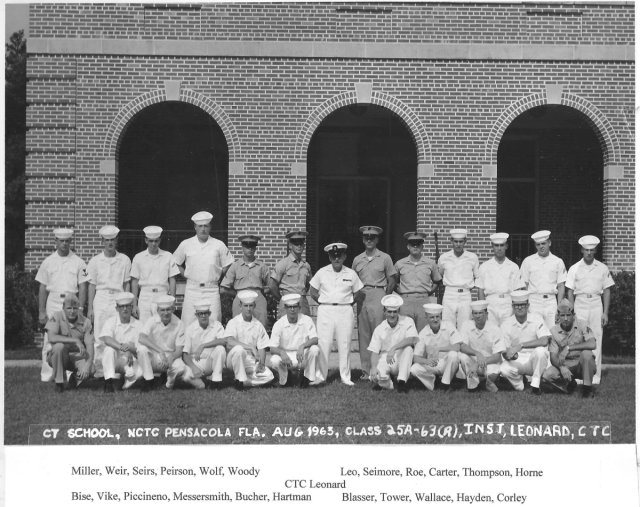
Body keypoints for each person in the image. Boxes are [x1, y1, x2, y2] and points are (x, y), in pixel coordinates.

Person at [36, 228, 89, 381]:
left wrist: (80, 308)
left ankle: (67, 371)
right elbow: (42, 287)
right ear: (56, 242)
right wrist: (41, 312)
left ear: (70, 242)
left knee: (71, 336)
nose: (64, 244)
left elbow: (83, 286)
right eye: (61, 241)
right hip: (53, 302)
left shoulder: (79, 262)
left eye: (67, 241)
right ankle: (47, 374)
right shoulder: (47, 262)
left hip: (72, 303)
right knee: (50, 338)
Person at [310, 243, 364, 386]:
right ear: (329, 257)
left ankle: (346, 377)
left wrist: (348, 303)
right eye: (333, 256)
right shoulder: (322, 272)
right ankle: (320, 376)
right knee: (324, 343)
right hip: (326, 310)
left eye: (339, 256)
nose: (336, 259)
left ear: (344, 256)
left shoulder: (351, 273)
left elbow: (358, 292)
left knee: (345, 343)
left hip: (344, 310)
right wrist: (323, 301)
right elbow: (313, 290)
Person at [566, 235, 614, 385]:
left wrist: (605, 312)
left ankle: (596, 376)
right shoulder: (574, 268)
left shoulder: (602, 268)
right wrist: (572, 312)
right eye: (586, 250)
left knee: (596, 338)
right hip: (580, 303)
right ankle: (581, 374)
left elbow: (607, 290)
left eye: (592, 250)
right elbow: (569, 291)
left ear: (595, 250)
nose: (589, 253)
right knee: (579, 338)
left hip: (595, 304)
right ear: (581, 250)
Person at [172, 211, 234, 326]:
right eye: (200, 226)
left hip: (211, 290)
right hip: (192, 289)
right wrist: (186, 275)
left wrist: (218, 275)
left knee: (214, 322)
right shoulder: (186, 244)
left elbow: (228, 264)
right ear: (195, 227)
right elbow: (175, 262)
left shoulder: (218, 244)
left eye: (206, 226)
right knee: (188, 323)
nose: (203, 229)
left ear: (210, 227)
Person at [352, 225, 397, 380]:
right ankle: (366, 371)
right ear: (363, 240)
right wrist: (356, 296)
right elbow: (353, 280)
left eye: (372, 238)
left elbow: (392, 280)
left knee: (379, 333)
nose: (369, 240)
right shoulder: (358, 259)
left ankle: (380, 368)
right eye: (366, 238)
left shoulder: (385, 258)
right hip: (362, 295)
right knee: (363, 333)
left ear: (377, 239)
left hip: (379, 293)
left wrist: (385, 297)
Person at [87, 225, 132, 377]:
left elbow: (126, 284)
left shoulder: (124, 259)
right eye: (107, 240)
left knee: (117, 333)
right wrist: (90, 309)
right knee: (100, 335)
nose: (110, 243)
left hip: (118, 297)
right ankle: (100, 370)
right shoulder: (95, 261)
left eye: (112, 239)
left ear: (116, 240)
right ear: (102, 241)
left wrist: (126, 302)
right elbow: (92, 285)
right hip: (101, 297)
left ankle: (118, 368)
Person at [137, 295, 200, 390]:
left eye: (168, 310)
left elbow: (179, 349)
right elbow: (141, 338)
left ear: (173, 309)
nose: (166, 313)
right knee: (142, 349)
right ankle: (148, 380)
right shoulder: (151, 320)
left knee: (180, 368)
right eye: (162, 310)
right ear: (158, 311)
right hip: (155, 355)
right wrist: (160, 351)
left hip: (170, 355)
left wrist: (171, 358)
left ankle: (168, 383)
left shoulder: (179, 323)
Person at [499, 290, 551, 395]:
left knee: (541, 351)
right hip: (518, 359)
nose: (519, 308)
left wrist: (521, 345)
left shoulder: (537, 318)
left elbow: (544, 340)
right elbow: (505, 349)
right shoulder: (506, 324)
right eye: (516, 305)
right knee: (503, 369)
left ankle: (535, 385)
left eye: (522, 305)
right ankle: (520, 384)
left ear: (528, 306)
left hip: (534, 359)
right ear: (512, 307)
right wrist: (508, 355)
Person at [542, 299, 597, 398]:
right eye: (562, 315)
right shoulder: (554, 331)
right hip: (566, 364)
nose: (566, 318)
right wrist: (561, 367)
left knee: (587, 354)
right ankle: (569, 384)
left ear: (573, 315)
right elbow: (553, 357)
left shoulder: (582, 324)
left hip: (582, 364)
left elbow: (592, 344)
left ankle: (587, 390)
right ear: (558, 316)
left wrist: (569, 347)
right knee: (547, 375)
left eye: (568, 315)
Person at [224, 290, 274, 390]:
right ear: (240, 306)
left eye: (250, 306)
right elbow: (229, 342)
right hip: (233, 360)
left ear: (254, 306)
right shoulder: (233, 322)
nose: (248, 309)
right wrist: (250, 347)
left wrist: (262, 364)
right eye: (245, 306)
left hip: (250, 360)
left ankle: (243, 381)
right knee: (239, 349)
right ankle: (241, 379)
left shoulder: (258, 325)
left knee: (269, 376)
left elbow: (262, 347)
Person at [269, 293, 322, 388]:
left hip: (302, 354)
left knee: (314, 349)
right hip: (286, 356)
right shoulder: (279, 324)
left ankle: (307, 378)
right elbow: (272, 348)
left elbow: (315, 339)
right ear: (285, 308)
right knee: (274, 360)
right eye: (289, 307)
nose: (292, 309)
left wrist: (303, 346)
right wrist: (282, 352)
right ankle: (284, 379)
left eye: (294, 307)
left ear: (299, 307)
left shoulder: (307, 320)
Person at [368, 294, 417, 393]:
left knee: (408, 349)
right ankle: (390, 384)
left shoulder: (408, 321)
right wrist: (373, 368)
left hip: (401, 357)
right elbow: (374, 351)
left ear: (399, 311)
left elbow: (411, 339)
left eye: (395, 312)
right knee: (375, 376)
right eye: (389, 312)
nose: (392, 315)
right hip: (385, 358)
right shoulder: (379, 329)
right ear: (384, 312)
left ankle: (402, 382)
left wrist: (393, 348)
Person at [45, 294, 95, 392]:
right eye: (69, 308)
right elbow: (51, 337)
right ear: (63, 307)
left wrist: (88, 365)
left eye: (75, 308)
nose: (72, 311)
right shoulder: (56, 316)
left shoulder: (86, 322)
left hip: (77, 355)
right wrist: (75, 340)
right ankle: (59, 383)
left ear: (79, 308)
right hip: (60, 355)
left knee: (92, 370)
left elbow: (90, 345)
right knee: (59, 346)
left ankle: (75, 378)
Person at [130, 225, 179, 325]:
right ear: (146, 241)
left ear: (159, 241)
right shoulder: (138, 257)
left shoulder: (168, 256)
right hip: (145, 297)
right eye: (151, 241)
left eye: (156, 241)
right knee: (144, 328)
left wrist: (173, 301)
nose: (153, 244)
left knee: (162, 329)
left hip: (162, 295)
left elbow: (172, 279)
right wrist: (134, 304)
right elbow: (134, 282)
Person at [394, 231, 440, 333]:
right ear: (408, 247)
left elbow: (437, 281)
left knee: (423, 333)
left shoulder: (430, 263)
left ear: (422, 247)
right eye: (412, 244)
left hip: (423, 301)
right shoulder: (400, 263)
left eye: (418, 244)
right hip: (406, 302)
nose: (415, 247)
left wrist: (428, 292)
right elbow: (394, 282)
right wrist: (401, 292)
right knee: (405, 332)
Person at [519, 230, 567, 329]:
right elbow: (524, 285)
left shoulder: (557, 261)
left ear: (549, 243)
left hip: (551, 301)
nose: (541, 246)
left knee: (552, 331)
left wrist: (559, 307)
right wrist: (526, 304)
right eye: (538, 244)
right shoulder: (528, 261)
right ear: (535, 246)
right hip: (534, 301)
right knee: (534, 330)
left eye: (543, 243)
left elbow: (561, 286)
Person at [409, 303, 462, 391]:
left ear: (440, 316)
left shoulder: (448, 326)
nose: (435, 320)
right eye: (432, 317)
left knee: (454, 355)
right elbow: (416, 357)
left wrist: (440, 349)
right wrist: (426, 361)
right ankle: (432, 381)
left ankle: (445, 384)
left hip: (447, 363)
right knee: (414, 369)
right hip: (432, 364)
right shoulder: (423, 333)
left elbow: (457, 346)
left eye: (437, 317)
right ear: (426, 318)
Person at [221, 234, 270, 326]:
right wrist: (237, 294)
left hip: (257, 299)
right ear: (242, 247)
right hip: (240, 298)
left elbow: (270, 286)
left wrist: (260, 293)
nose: (250, 249)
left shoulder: (262, 266)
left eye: (252, 246)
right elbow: (223, 288)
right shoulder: (235, 266)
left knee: (260, 326)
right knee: (238, 326)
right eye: (247, 246)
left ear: (255, 248)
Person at [476, 232, 523, 327]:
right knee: (491, 333)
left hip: (507, 303)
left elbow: (518, 290)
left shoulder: (513, 267)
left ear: (506, 246)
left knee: (507, 332)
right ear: (492, 247)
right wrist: (483, 309)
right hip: (490, 303)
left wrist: (515, 308)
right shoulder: (484, 266)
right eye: (496, 245)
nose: (499, 248)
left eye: (502, 245)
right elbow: (480, 289)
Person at [458, 300, 506, 392]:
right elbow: (462, 346)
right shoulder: (466, 325)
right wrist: (477, 353)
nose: (478, 316)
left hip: (490, 362)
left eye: (480, 313)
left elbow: (497, 356)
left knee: (493, 373)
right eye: (475, 313)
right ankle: (473, 385)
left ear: (486, 314)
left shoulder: (495, 328)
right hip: (474, 359)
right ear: (472, 314)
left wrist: (478, 363)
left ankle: (488, 382)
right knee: (463, 357)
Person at [99, 292, 142, 393]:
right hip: (116, 359)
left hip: (131, 360)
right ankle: (109, 382)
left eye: (127, 306)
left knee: (142, 371)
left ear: (132, 307)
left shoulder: (139, 324)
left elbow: (140, 348)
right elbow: (106, 339)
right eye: (122, 307)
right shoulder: (110, 321)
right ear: (117, 308)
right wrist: (124, 348)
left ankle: (127, 380)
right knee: (109, 350)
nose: (125, 309)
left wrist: (130, 350)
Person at [180, 299, 228, 390]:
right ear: (196, 315)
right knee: (186, 376)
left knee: (220, 349)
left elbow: (224, 341)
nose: (203, 316)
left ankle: (216, 381)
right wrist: (194, 368)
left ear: (209, 314)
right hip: (197, 362)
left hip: (212, 361)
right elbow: (185, 354)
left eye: (205, 313)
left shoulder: (216, 325)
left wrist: (203, 345)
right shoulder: (190, 329)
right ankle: (203, 383)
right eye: (200, 314)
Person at [438, 229, 479, 330]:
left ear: (465, 242)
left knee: (465, 325)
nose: (458, 244)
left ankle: (463, 344)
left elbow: (477, 276)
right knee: (447, 325)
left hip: (465, 294)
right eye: (456, 241)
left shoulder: (472, 257)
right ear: (451, 241)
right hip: (449, 294)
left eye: (461, 241)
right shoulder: (444, 257)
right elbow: (440, 274)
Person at [269, 230, 313, 317]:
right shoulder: (283, 264)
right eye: (296, 243)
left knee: (304, 327)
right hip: (287, 301)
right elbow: (272, 285)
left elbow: (308, 285)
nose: (299, 246)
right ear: (290, 245)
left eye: (301, 243)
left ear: (304, 245)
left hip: (302, 302)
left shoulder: (306, 266)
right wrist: (282, 299)